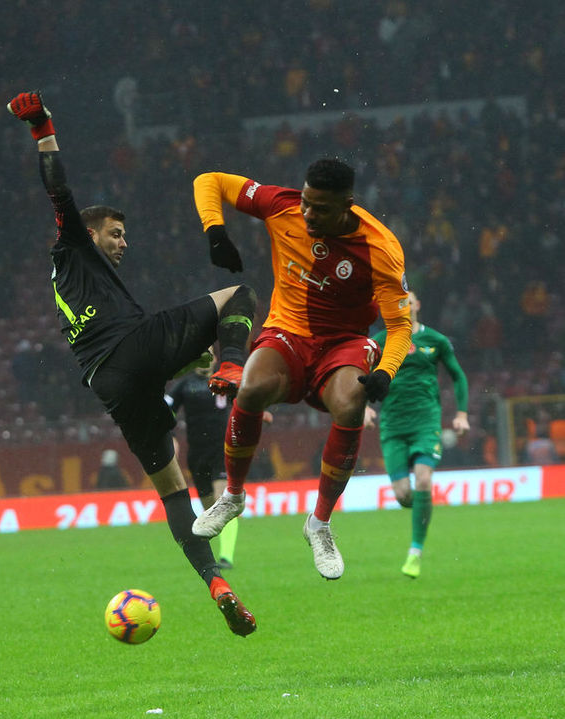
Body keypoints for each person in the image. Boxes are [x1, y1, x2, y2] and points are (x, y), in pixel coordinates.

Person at [7, 91, 257, 636]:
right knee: (239, 295)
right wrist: (43, 129)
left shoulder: (76, 278)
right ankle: (233, 366)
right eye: (116, 234)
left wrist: (188, 361)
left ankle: (215, 581)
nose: (125, 243)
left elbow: (136, 363)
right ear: (91, 232)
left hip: (110, 382)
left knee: (172, 489)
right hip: (132, 345)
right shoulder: (73, 244)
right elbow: (59, 190)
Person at [190, 160, 412, 581]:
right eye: (306, 202)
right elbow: (210, 181)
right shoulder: (283, 205)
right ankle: (233, 497)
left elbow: (400, 327)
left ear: (347, 205)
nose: (308, 214)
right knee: (250, 387)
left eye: (320, 209)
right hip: (288, 333)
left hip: (343, 342)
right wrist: (215, 231)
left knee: (351, 403)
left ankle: (320, 523)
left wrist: (386, 371)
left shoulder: (379, 247)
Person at [364, 291, 470, 578]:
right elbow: (361, 374)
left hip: (426, 421)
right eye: (399, 303)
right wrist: (364, 408)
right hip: (393, 425)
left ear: (417, 305)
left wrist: (461, 414)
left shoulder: (436, 340)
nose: (405, 306)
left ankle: (415, 551)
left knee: (423, 479)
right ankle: (423, 508)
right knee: (402, 495)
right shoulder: (381, 341)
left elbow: (458, 375)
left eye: (408, 301)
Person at [166, 348, 273, 569]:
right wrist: (172, 436)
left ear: (214, 358)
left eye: (208, 353)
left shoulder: (224, 381)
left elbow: (245, 399)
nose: (204, 358)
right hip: (197, 454)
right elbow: (166, 412)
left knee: (221, 500)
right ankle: (217, 554)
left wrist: (258, 413)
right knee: (211, 509)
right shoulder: (184, 385)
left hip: (222, 450)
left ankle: (226, 558)